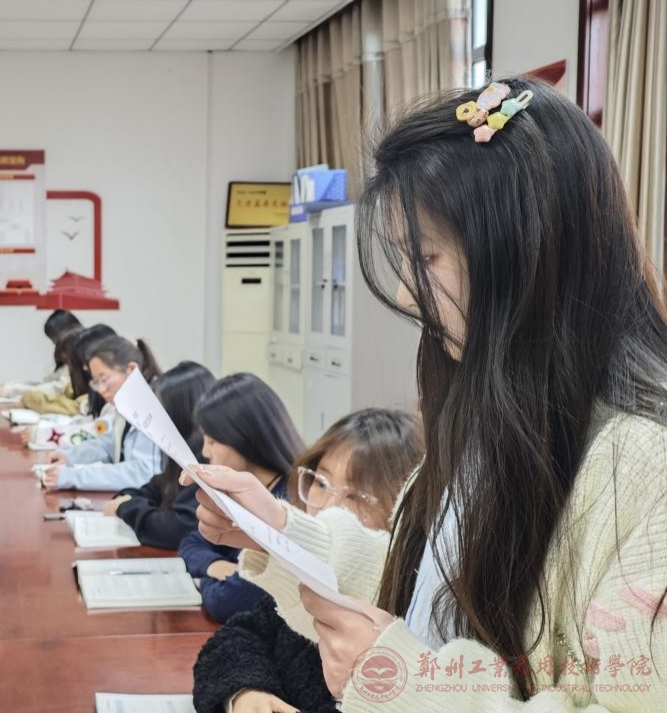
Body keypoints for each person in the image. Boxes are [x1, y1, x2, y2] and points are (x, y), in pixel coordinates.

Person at [190, 78, 667, 709]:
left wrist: (407, 684)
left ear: (521, 254)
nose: (407, 296)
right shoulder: (492, 419)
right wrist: (278, 531)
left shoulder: (647, 465)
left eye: (425, 258)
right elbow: (423, 590)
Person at [192, 409, 422, 713]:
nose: (328, 507)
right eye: (321, 483)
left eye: (356, 497)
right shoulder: (305, 582)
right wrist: (246, 692)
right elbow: (238, 635)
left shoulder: (402, 622)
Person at [178, 373, 303, 623]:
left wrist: (203, 581)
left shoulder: (291, 504)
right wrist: (214, 565)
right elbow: (191, 543)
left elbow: (227, 602)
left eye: (212, 441)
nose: (205, 451)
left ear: (242, 437)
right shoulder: (242, 492)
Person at [100, 361, 215, 549]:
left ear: (182, 412)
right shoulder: (182, 452)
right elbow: (159, 487)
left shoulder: (205, 457)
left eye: (162, 411)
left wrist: (125, 507)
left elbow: (177, 529)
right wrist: (127, 497)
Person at [43, 335, 162, 491]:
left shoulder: (151, 408)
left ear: (131, 370)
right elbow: (110, 445)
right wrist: (70, 457)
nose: (101, 390)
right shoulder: (125, 406)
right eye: (96, 382)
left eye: (104, 379)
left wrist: (74, 476)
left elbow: (142, 473)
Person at [0, 309, 83, 400]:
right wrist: (10, 386)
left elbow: (56, 389)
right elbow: (47, 383)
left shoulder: (80, 357)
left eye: (55, 341)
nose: (56, 346)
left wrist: (10, 390)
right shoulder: (69, 358)